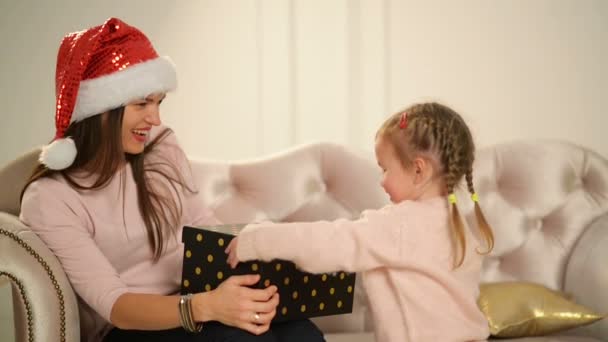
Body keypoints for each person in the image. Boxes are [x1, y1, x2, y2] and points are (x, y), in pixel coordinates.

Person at [19, 17, 324, 342]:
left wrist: (255, 271)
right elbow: (115, 305)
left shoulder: (161, 145)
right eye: (142, 104)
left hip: (198, 297)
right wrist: (206, 307)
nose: (155, 118)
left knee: (299, 331)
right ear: (100, 111)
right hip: (128, 328)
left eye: (159, 102)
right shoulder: (50, 198)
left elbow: (202, 224)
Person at [227, 102, 495, 342]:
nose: (382, 180)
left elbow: (326, 242)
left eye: (385, 169)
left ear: (418, 170)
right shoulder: (459, 226)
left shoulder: (399, 224)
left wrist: (256, 239)